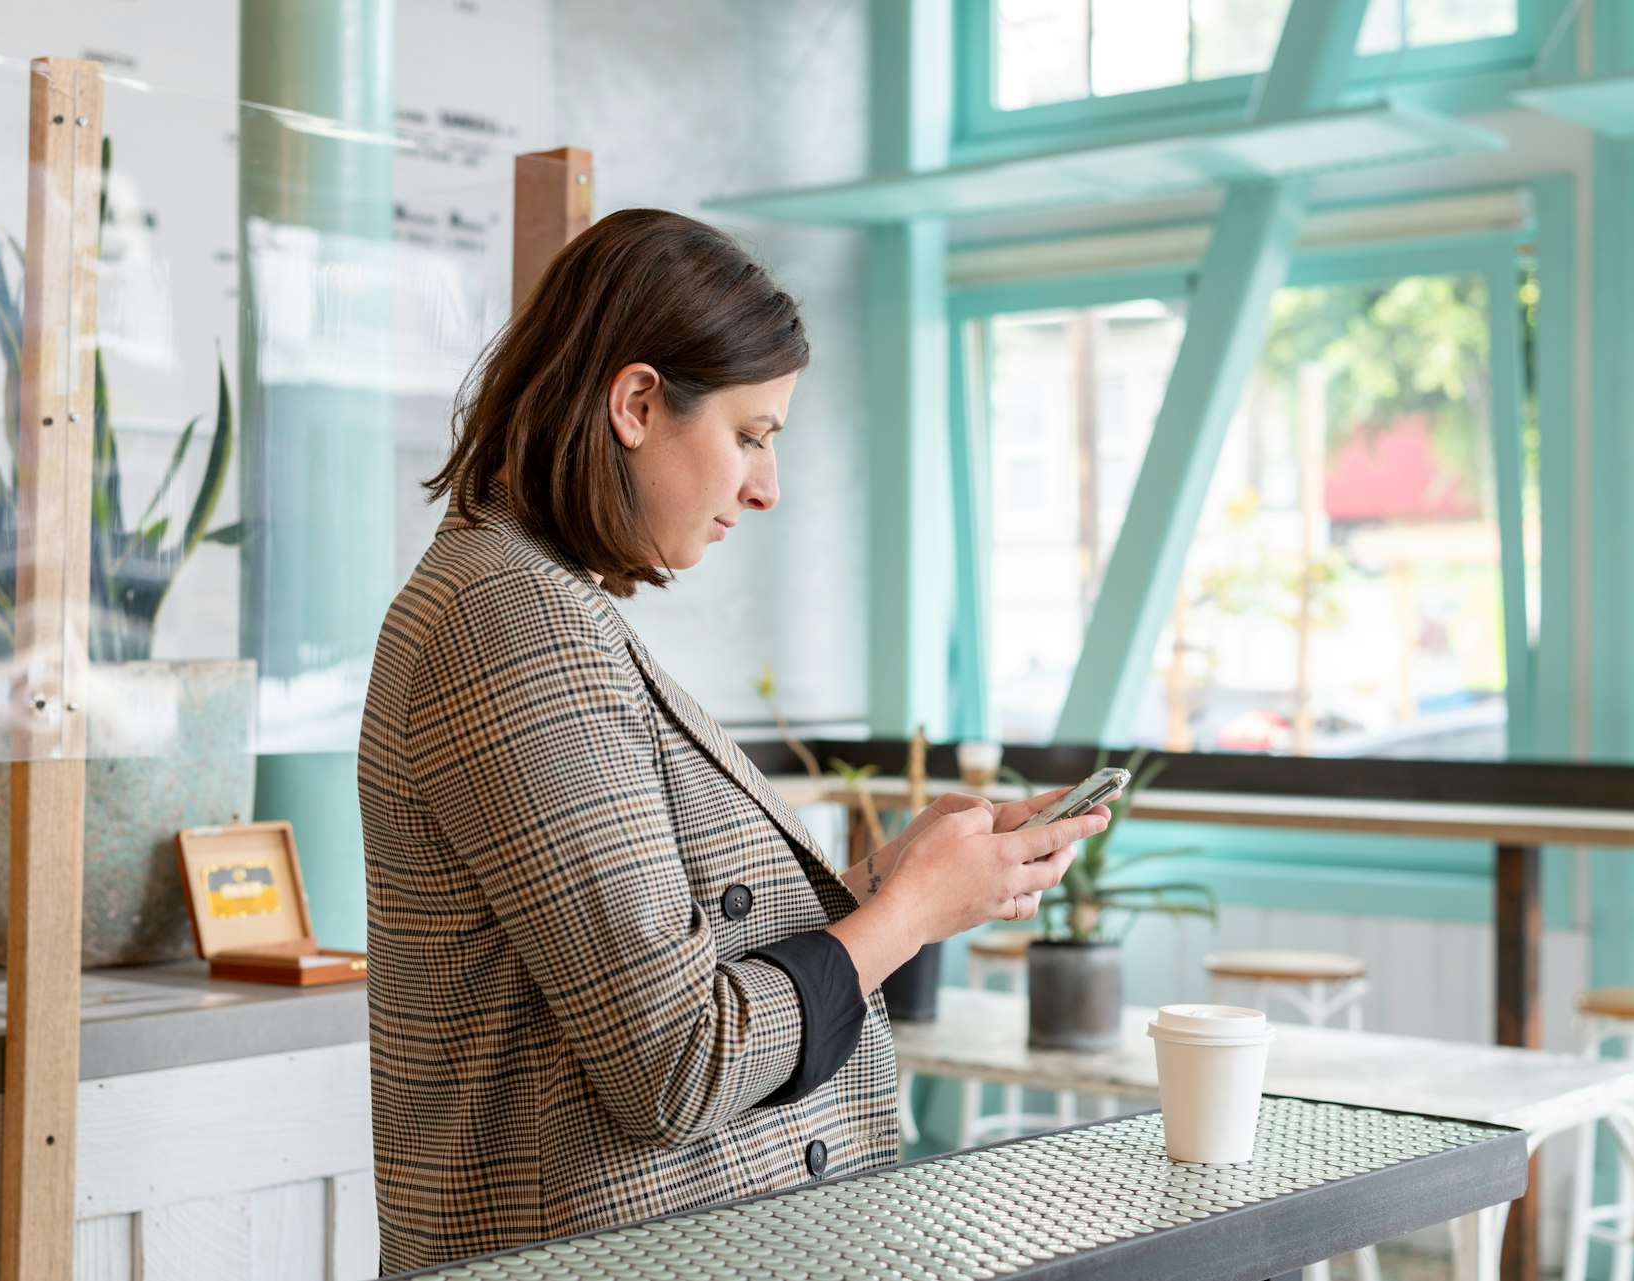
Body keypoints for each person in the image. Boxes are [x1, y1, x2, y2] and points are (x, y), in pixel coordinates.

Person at [356, 208, 1108, 1273]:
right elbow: (681, 1061)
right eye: (751, 435)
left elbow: (667, 959)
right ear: (637, 402)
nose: (766, 485)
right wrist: (905, 915)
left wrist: (886, 884)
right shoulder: (510, 624)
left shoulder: (544, 606)